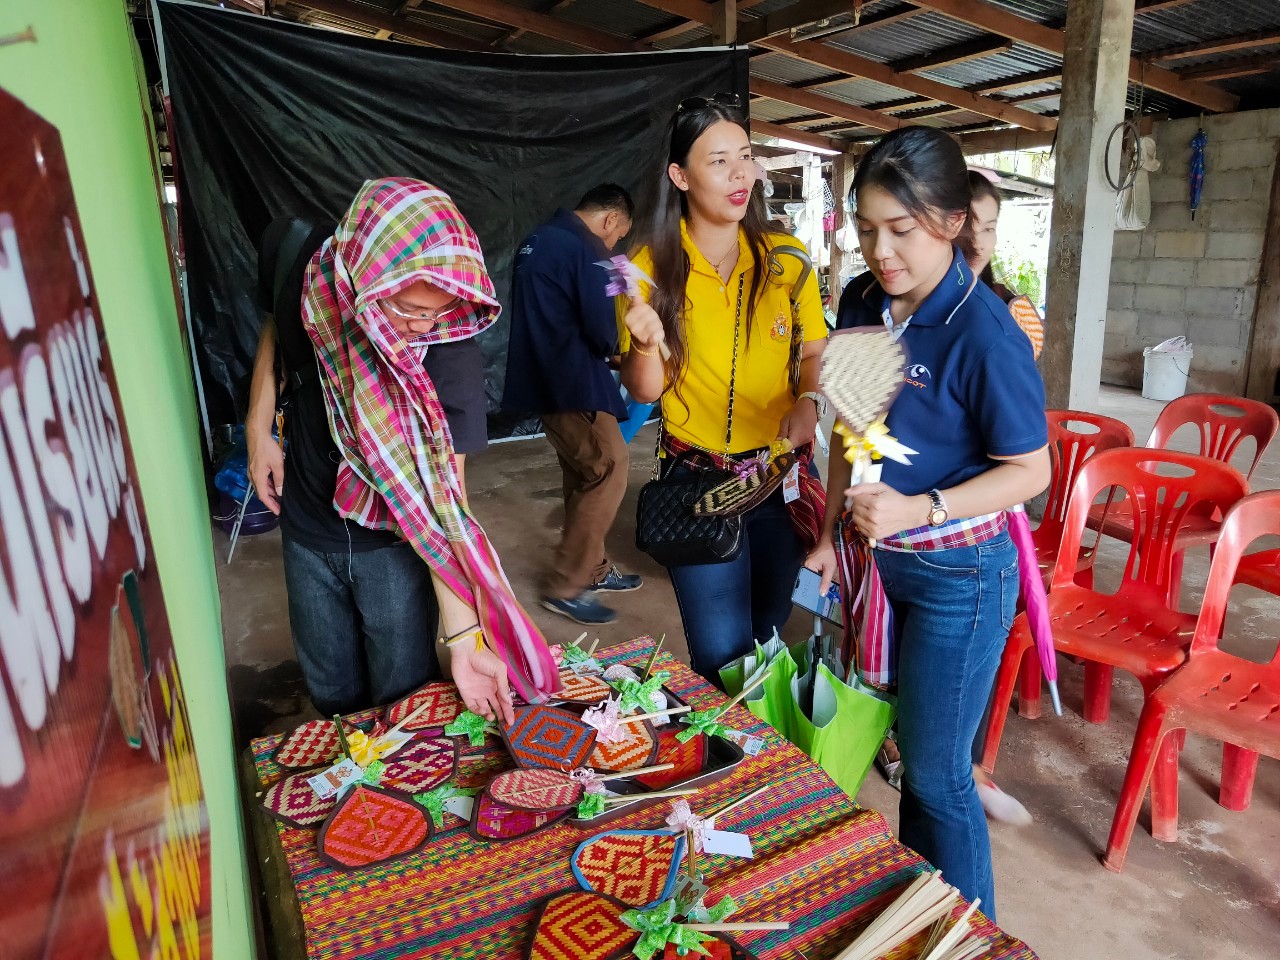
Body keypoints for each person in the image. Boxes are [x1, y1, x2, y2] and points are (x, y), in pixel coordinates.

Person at [805, 127, 1050, 916]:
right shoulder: (864, 300)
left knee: (940, 774)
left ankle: (973, 934)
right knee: (905, 752)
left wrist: (923, 506)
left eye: (902, 229)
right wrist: (830, 533)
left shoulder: (984, 333)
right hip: (879, 557)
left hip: (962, 573)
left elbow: (1031, 472)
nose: (882, 249)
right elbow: (852, 417)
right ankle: (922, 908)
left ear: (950, 221)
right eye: (868, 227)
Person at [248, 179, 556, 723]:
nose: (421, 327)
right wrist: (258, 427)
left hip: (391, 544)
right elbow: (278, 319)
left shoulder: (447, 349)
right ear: (368, 275)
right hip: (304, 519)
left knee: (403, 695)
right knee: (330, 689)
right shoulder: (301, 258)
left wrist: (464, 637)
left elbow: (445, 506)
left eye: (436, 312)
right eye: (408, 308)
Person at [619, 93, 828, 682]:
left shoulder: (787, 260)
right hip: (697, 482)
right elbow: (644, 393)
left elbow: (813, 350)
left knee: (766, 634)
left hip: (779, 477)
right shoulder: (646, 267)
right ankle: (725, 765)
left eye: (746, 157)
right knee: (719, 658)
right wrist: (641, 343)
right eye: (719, 162)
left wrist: (810, 400)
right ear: (680, 176)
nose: (742, 175)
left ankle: (754, 766)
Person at [502, 184, 644, 626]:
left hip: (543, 378)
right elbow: (601, 331)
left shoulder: (538, 240)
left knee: (583, 474)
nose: (615, 244)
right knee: (609, 466)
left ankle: (594, 569)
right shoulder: (586, 249)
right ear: (609, 220)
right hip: (573, 382)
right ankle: (567, 586)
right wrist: (624, 348)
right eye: (618, 235)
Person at [964, 171, 1045, 359]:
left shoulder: (1009, 312)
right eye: (966, 227)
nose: (977, 243)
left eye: (988, 229)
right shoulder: (907, 306)